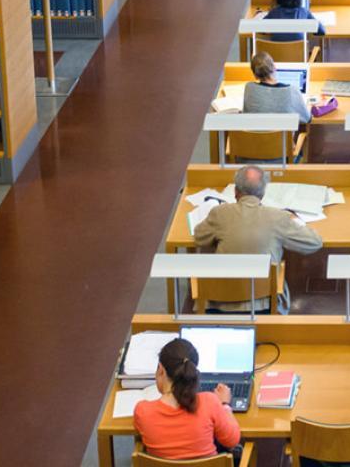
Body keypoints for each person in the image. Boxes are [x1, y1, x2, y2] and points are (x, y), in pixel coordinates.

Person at [192, 164, 323, 312]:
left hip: (220, 300)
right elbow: (314, 242)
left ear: (235, 191)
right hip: (262, 303)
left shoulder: (220, 213)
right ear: (263, 193)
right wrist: (294, 222)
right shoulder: (277, 217)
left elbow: (199, 237)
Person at [134, 336, 242, 460]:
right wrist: (224, 405)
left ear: (161, 370)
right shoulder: (209, 402)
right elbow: (232, 440)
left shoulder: (143, 411)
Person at [259, 0, 323, 44]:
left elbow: (260, 28)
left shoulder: (274, 12)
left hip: (276, 55)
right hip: (299, 55)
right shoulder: (303, 11)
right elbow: (321, 31)